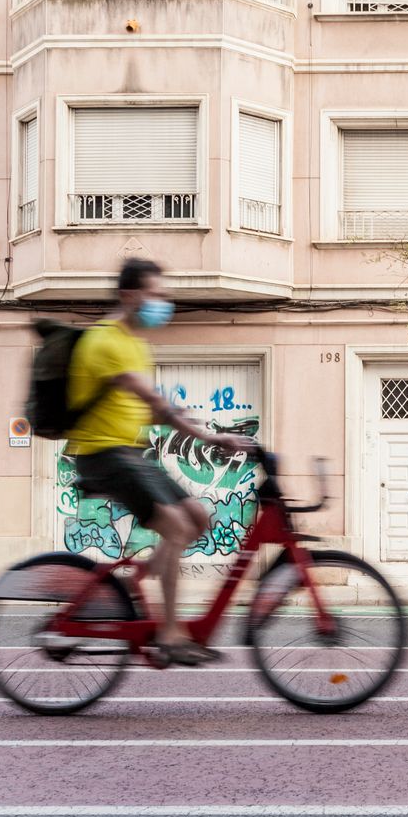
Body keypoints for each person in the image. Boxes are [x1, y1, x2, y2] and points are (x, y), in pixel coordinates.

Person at [65, 258, 251, 666]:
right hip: (102, 455)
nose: (162, 303)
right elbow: (151, 400)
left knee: (198, 516)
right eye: (155, 294)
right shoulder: (106, 341)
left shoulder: (136, 344)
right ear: (129, 296)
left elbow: (147, 411)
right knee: (178, 525)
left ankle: (140, 577)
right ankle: (170, 633)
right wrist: (211, 436)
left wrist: (194, 422)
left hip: (129, 452)